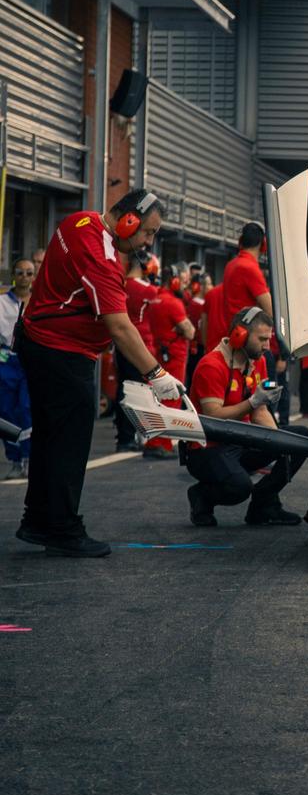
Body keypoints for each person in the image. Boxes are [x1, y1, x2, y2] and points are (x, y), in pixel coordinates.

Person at [15, 191, 184, 558]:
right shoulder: (102, 256)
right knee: (69, 445)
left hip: (39, 341)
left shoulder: (80, 220)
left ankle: (38, 519)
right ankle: (61, 528)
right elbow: (120, 327)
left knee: (49, 439)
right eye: (148, 232)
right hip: (61, 353)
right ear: (128, 221)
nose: (147, 242)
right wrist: (157, 373)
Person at [183, 307, 305, 528]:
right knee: (239, 488)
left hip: (241, 440)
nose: (268, 346)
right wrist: (253, 402)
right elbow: (213, 417)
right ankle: (202, 495)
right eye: (262, 339)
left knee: (300, 441)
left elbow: (260, 413)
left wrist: (280, 443)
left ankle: (264, 504)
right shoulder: (212, 365)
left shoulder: (257, 359)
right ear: (239, 335)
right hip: (208, 449)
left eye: (269, 339)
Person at [143, 274, 195, 459]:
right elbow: (189, 331)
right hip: (175, 355)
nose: (185, 284)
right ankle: (160, 443)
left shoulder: (155, 299)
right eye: (182, 279)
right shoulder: (173, 303)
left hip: (159, 352)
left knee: (158, 397)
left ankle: (154, 441)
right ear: (173, 281)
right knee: (172, 399)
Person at [114, 250, 159, 451]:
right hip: (141, 343)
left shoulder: (121, 284)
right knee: (140, 392)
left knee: (123, 389)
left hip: (121, 342)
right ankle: (133, 436)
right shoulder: (149, 290)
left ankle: (124, 435)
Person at [0, 258, 35, 478]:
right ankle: (14, 459)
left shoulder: (39, 301)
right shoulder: (2, 302)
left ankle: (27, 457)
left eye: (29, 273)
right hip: (6, 361)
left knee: (26, 408)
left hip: (30, 361)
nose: (24, 277)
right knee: (4, 411)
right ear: (14, 274)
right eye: (20, 273)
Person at [222, 223, 273, 327]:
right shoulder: (250, 268)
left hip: (235, 330)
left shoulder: (230, 265)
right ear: (263, 244)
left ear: (241, 242)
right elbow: (271, 310)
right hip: (248, 333)